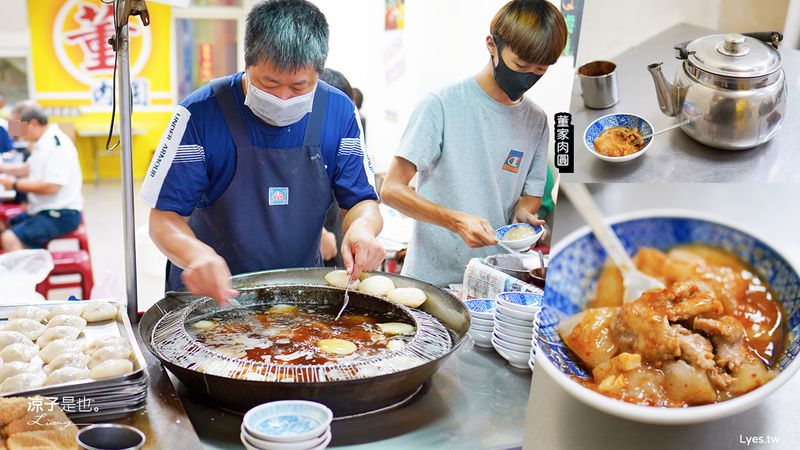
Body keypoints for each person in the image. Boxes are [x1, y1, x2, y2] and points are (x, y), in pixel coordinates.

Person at [140, 0, 384, 305]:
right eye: (268, 83)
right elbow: (164, 218)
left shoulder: (339, 111)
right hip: (212, 298)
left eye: (298, 87)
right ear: (247, 62)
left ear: (318, 73)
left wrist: (362, 228)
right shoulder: (200, 114)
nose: (282, 97)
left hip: (299, 295)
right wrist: (196, 255)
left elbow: (362, 201)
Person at [380, 0, 567, 287]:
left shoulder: (537, 120)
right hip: (431, 283)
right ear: (492, 45)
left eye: (540, 69)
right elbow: (392, 189)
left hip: (493, 281)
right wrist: (453, 220)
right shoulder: (441, 105)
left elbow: (529, 196)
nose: (528, 76)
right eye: (520, 64)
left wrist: (524, 217)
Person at [0, 106, 83, 250]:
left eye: (21, 128)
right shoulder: (42, 143)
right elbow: (27, 168)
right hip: (41, 209)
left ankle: (27, 272)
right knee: (5, 224)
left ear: (33, 124)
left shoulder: (57, 145)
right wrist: (3, 170)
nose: (20, 135)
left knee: (8, 238)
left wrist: (14, 184)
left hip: (61, 213)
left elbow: (51, 187)